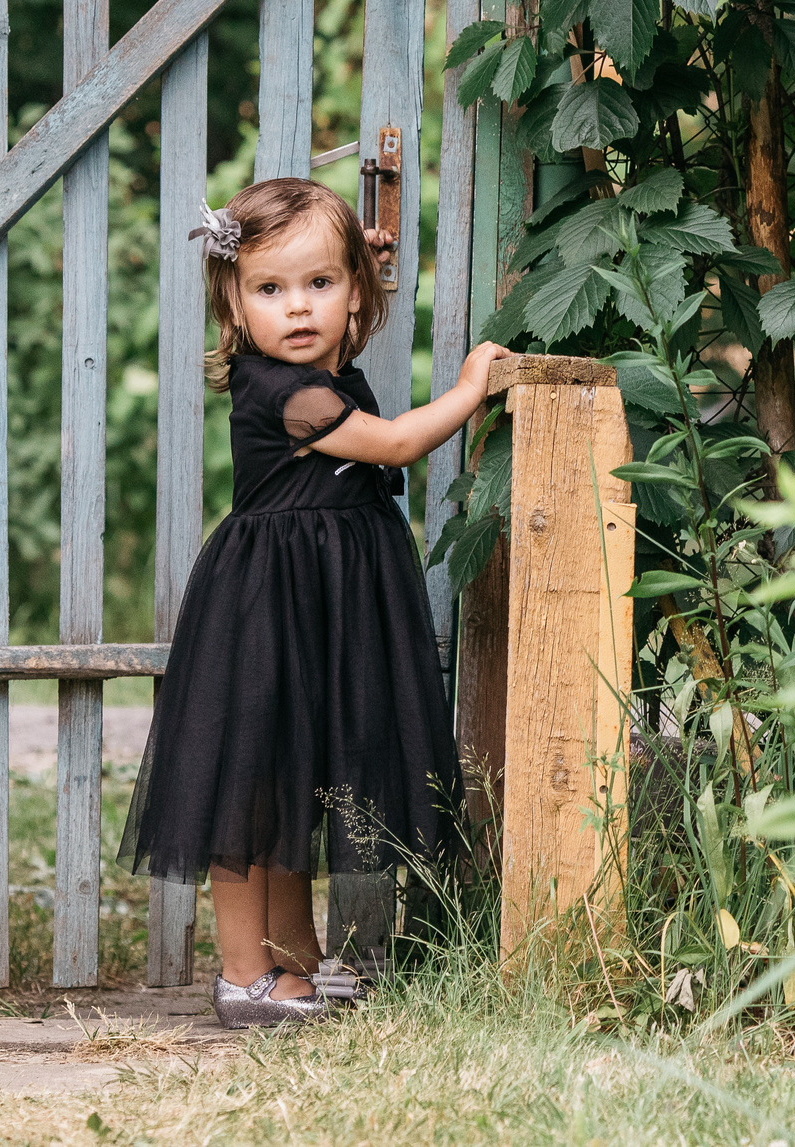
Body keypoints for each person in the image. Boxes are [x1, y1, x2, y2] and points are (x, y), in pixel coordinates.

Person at [120, 176, 510, 1027]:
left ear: (353, 294)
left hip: (319, 599)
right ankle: (242, 975)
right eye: (269, 289)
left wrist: (353, 263)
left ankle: (291, 964)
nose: (297, 307)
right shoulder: (285, 392)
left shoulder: (317, 365)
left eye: (319, 284)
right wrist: (470, 386)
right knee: (249, 787)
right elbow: (395, 442)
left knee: (292, 778)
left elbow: (330, 315)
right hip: (269, 604)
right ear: (234, 303)